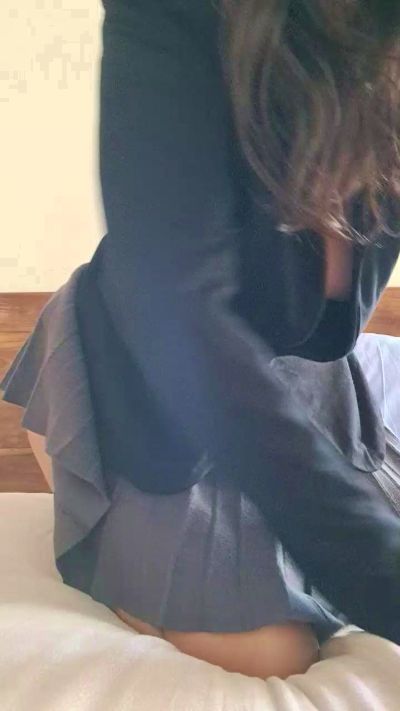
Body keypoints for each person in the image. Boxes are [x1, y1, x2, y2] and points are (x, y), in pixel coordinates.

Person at [2, 0, 400, 679]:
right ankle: (81, 464)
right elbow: (184, 314)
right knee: (274, 654)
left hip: (299, 368)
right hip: (155, 362)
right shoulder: (178, 14)